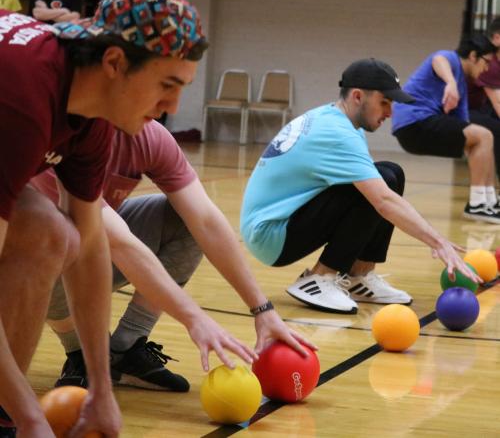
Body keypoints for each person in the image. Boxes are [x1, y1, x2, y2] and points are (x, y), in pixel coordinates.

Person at [0, 0, 209, 437]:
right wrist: (32, 419)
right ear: (115, 62)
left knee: (53, 231)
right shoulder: (21, 102)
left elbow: (92, 249)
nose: (173, 106)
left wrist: (101, 390)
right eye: (166, 85)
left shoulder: (91, 116)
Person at [31, 120, 312, 392]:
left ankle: (126, 350)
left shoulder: (149, 134)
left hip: (95, 246)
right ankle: (80, 353)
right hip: (31, 269)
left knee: (186, 221)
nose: (173, 105)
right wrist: (194, 319)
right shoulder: (59, 138)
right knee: (60, 237)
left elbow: (205, 221)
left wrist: (262, 309)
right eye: (166, 85)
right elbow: (119, 244)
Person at [240, 58, 480, 314]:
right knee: (382, 185)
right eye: (384, 103)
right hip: (272, 235)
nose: (390, 113)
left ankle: (358, 276)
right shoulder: (336, 132)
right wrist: (438, 242)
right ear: (357, 96)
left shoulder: (339, 121)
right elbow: (383, 201)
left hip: (280, 224)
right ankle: (319, 278)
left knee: (390, 172)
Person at [391, 35, 499, 223]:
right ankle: (478, 205)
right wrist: (450, 83)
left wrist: (476, 151)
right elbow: (438, 59)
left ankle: (489, 202)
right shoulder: (450, 59)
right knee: (484, 135)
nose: (487, 68)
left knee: (485, 139)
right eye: (486, 62)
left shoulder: (462, 88)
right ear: (473, 56)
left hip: (417, 128)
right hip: (414, 122)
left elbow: (465, 127)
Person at [467, 18, 500, 178]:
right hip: (462, 112)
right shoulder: (489, 63)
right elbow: (498, 103)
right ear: (496, 38)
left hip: (480, 111)